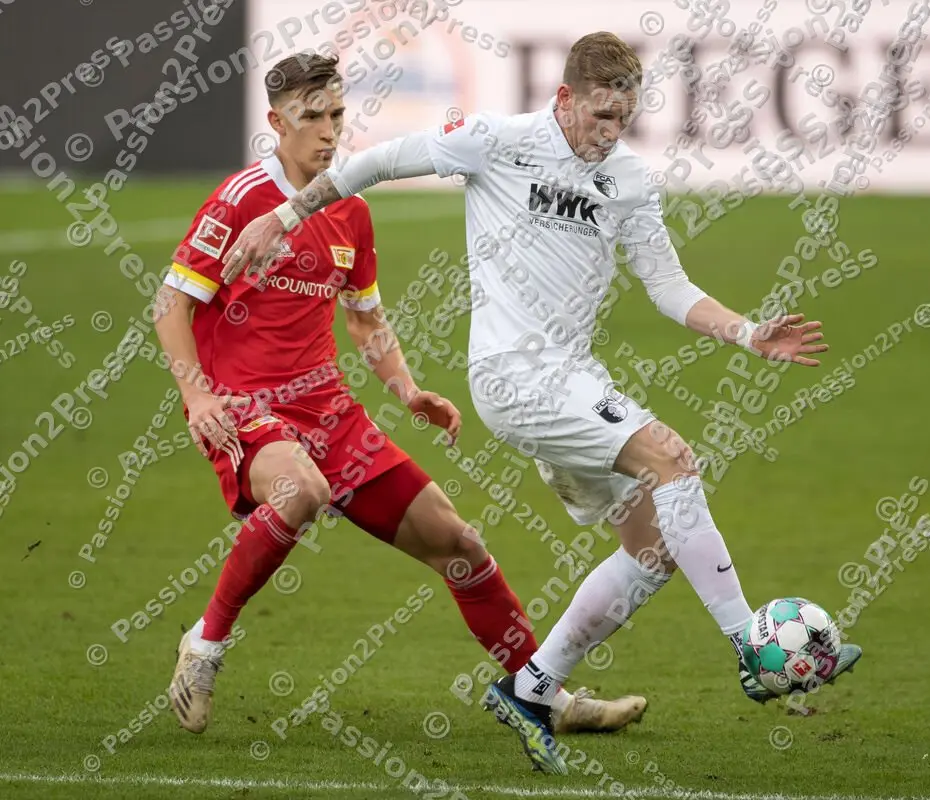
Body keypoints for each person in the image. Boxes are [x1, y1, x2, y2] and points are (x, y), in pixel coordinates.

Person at [218, 33, 864, 774]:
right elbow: (379, 161)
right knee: (674, 459)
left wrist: (749, 334)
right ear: (564, 99)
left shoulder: (626, 179)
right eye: (598, 115)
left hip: (572, 377)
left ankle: (530, 689)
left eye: (621, 118)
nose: (608, 131)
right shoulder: (496, 141)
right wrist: (289, 214)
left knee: (652, 549)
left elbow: (668, 287)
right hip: (512, 376)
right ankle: (753, 648)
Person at [154, 52, 645, 740]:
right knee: (299, 492)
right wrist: (197, 395)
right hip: (242, 406)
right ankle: (203, 645)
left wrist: (406, 387)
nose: (328, 133)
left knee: (460, 544)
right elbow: (171, 304)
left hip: (329, 412)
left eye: (336, 117)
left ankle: (541, 692)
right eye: (311, 118)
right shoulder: (241, 200)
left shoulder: (348, 209)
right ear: (275, 123)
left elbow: (364, 318)